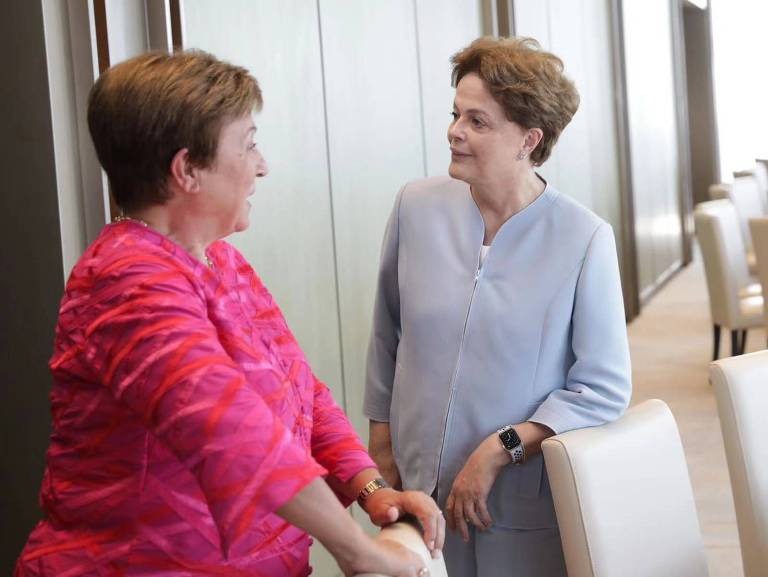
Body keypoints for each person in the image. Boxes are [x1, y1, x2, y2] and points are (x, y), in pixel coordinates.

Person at [15, 50, 444, 577]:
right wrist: (359, 552)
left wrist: (371, 488)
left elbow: (301, 390)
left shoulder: (222, 261)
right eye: (249, 144)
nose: (262, 164)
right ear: (187, 170)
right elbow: (230, 431)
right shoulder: (124, 280)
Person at [364, 36, 632, 577]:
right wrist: (380, 443)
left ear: (528, 140)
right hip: (416, 488)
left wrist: (502, 448)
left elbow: (603, 387)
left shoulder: (583, 239)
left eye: (478, 121)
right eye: (456, 114)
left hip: (515, 501)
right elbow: (386, 334)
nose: (455, 131)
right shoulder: (416, 206)